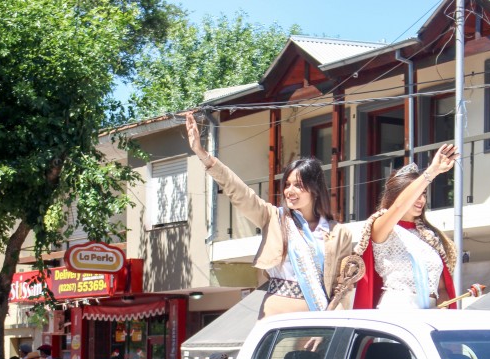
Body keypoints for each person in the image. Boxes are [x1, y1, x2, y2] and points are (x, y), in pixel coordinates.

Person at [186, 115, 355, 317]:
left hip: (317, 317)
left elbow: (343, 286)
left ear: (315, 189)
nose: (289, 191)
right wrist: (203, 154)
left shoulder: (338, 233)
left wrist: (333, 323)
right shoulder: (273, 217)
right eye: (287, 185)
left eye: (298, 186)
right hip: (276, 314)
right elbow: (239, 192)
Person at [353, 144, 460, 310]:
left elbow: (441, 288)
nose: (421, 200)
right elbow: (398, 208)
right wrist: (432, 171)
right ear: (397, 197)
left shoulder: (429, 236)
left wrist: (443, 307)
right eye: (415, 195)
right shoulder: (381, 226)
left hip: (430, 314)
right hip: (397, 311)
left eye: (423, 194)